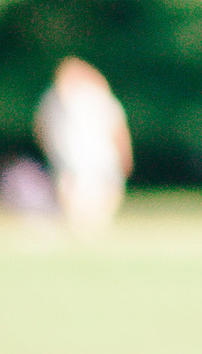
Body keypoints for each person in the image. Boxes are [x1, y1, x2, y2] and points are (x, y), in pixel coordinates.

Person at [33, 57, 130, 235]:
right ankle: (83, 227)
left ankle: (90, 226)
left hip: (97, 156)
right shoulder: (55, 99)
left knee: (96, 196)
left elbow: (117, 128)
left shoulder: (94, 96)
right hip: (76, 157)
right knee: (76, 195)